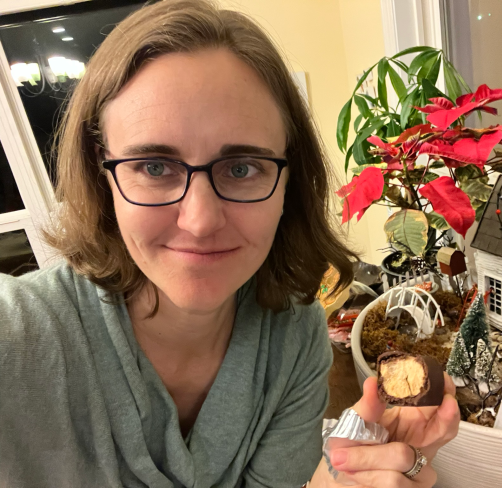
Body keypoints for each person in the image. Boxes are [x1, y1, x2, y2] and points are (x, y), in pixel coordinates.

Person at [0, 1, 459, 487]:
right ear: (101, 171)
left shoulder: (293, 335)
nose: (199, 222)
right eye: (154, 166)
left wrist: (340, 480)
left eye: (241, 168)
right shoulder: (18, 337)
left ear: (289, 181)